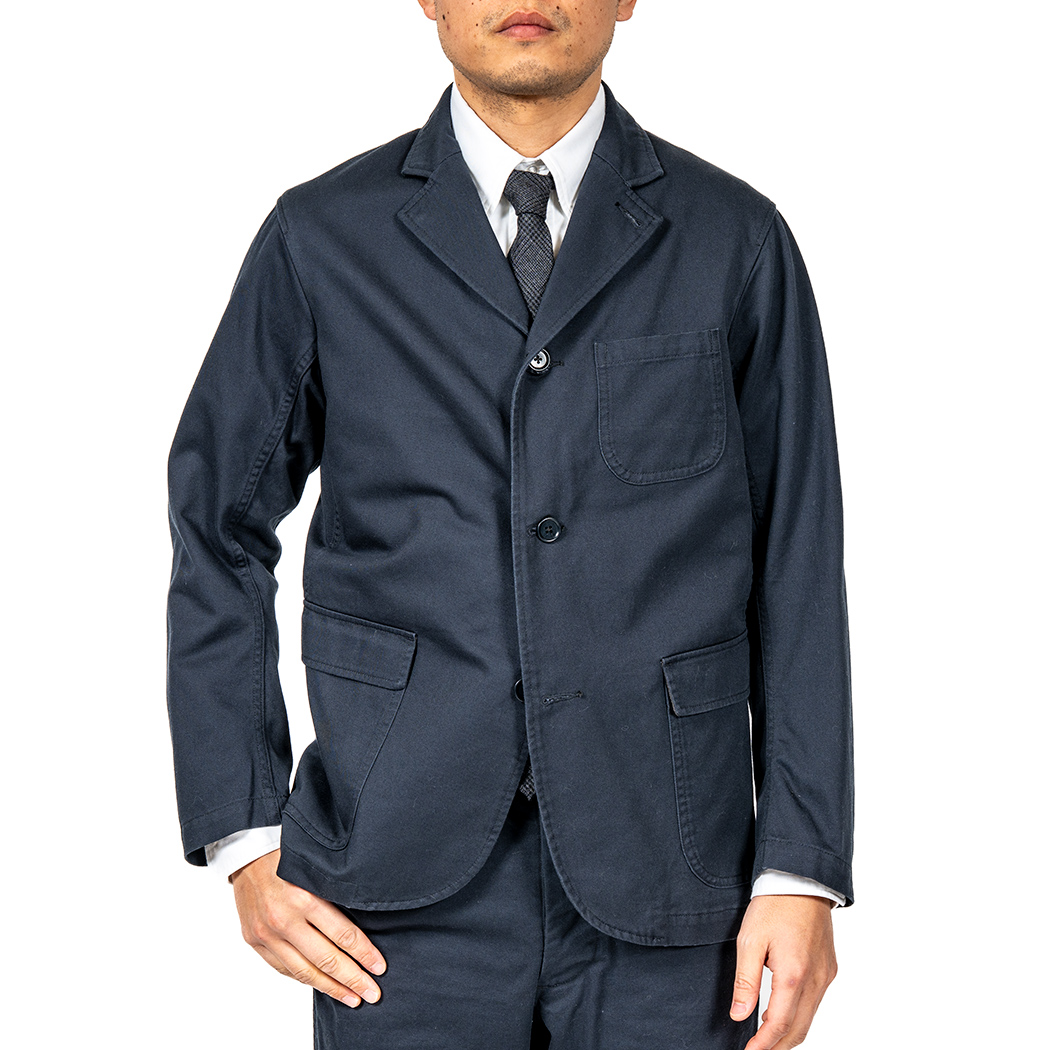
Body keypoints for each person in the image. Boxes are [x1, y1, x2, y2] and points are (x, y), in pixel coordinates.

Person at [166, 2, 854, 1047]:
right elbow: (216, 523)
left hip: (674, 872)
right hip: (392, 879)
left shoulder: (734, 239)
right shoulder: (321, 239)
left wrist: (801, 868)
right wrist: (244, 832)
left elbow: (799, 555)